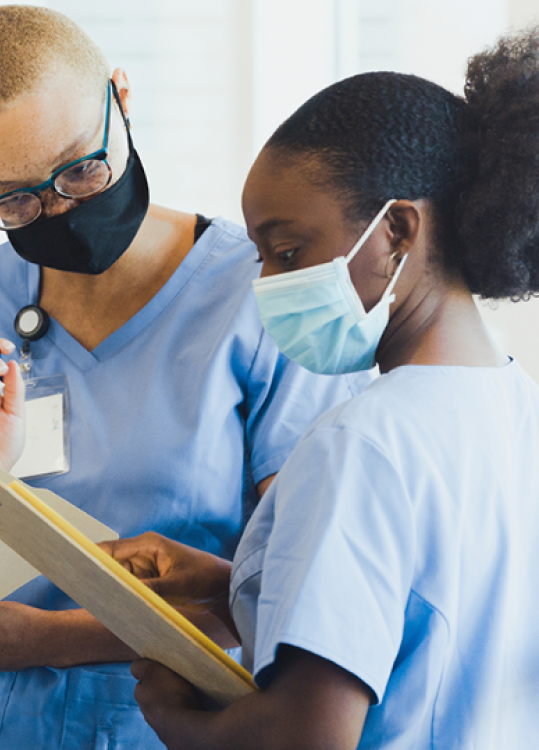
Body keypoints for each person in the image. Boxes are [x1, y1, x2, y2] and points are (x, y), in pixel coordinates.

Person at [0, 6, 368, 749]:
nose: (58, 208)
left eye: (82, 168)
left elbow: (296, 595)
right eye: (14, 198)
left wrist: (49, 639)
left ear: (121, 96)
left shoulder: (256, 294)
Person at [107, 28, 539, 749]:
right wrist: (232, 581)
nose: (266, 287)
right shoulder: (516, 408)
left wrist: (173, 717)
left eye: (286, 252)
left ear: (398, 229)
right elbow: (431, 618)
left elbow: (305, 735)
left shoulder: (359, 441)